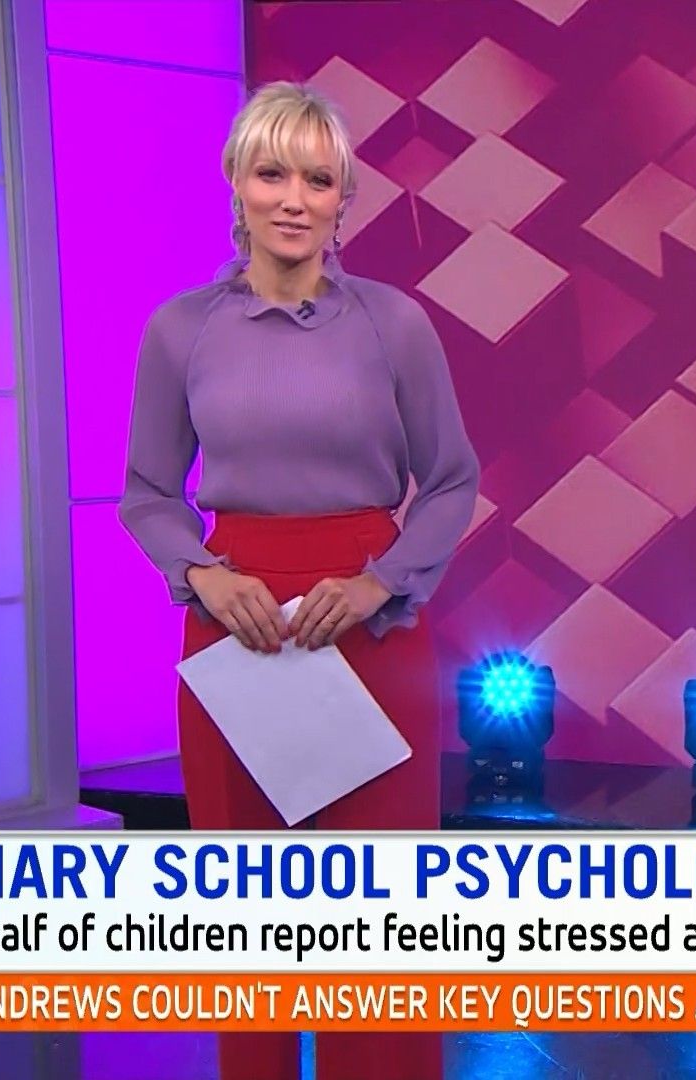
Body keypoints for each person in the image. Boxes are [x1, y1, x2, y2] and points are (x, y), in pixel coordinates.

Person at [118, 81, 477, 1080]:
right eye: (272, 173)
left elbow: (452, 481)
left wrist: (378, 583)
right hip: (233, 632)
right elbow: (147, 493)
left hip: (372, 629)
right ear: (235, 183)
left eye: (318, 180)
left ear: (343, 198)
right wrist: (199, 573)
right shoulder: (180, 330)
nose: (293, 198)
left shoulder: (395, 324)